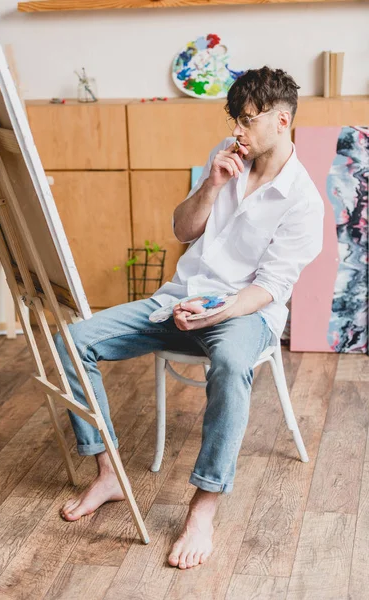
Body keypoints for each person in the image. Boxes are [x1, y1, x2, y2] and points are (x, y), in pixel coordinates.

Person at [53, 66, 324, 570]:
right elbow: (182, 230)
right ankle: (107, 472)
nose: (237, 132)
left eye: (247, 121)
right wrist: (212, 184)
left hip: (244, 311)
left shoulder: (304, 202)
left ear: (282, 121)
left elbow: (268, 289)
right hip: (181, 296)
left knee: (228, 367)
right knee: (71, 340)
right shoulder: (226, 157)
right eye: (234, 120)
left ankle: (203, 508)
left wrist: (214, 314)